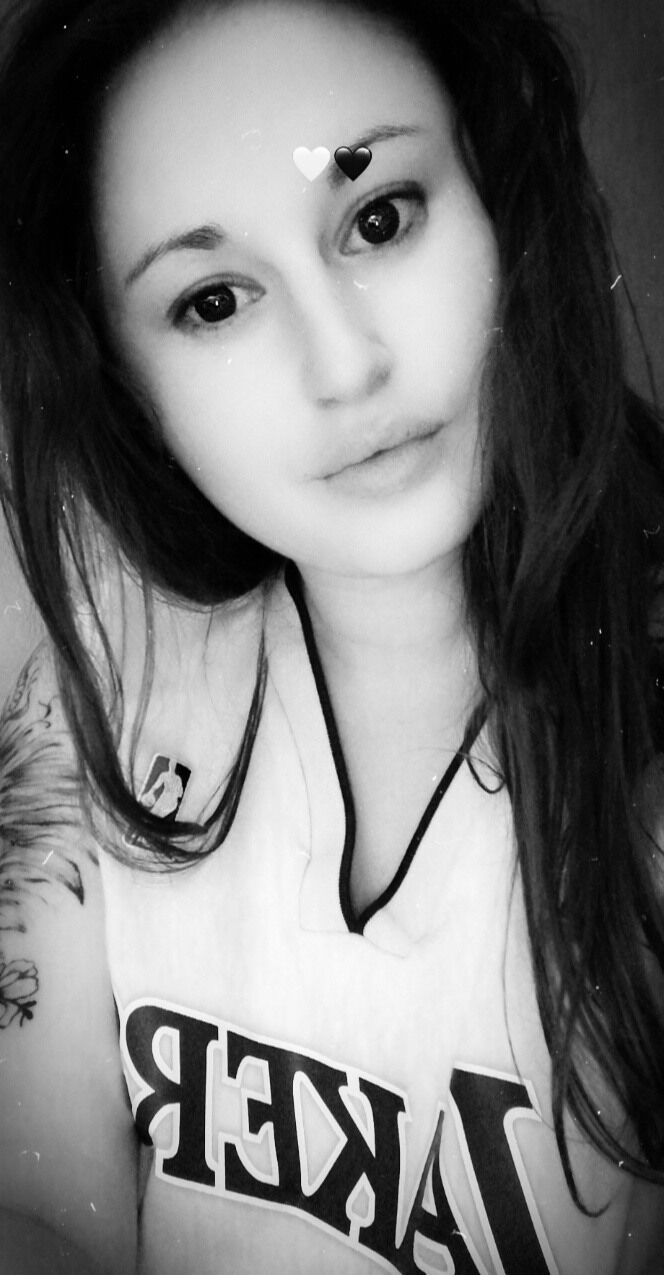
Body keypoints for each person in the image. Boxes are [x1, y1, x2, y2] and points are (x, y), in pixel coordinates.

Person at [0, 0, 662, 1270]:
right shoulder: (105, 695)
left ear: (496, 199)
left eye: (379, 217)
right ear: (124, 381)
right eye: (213, 300)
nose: (345, 364)